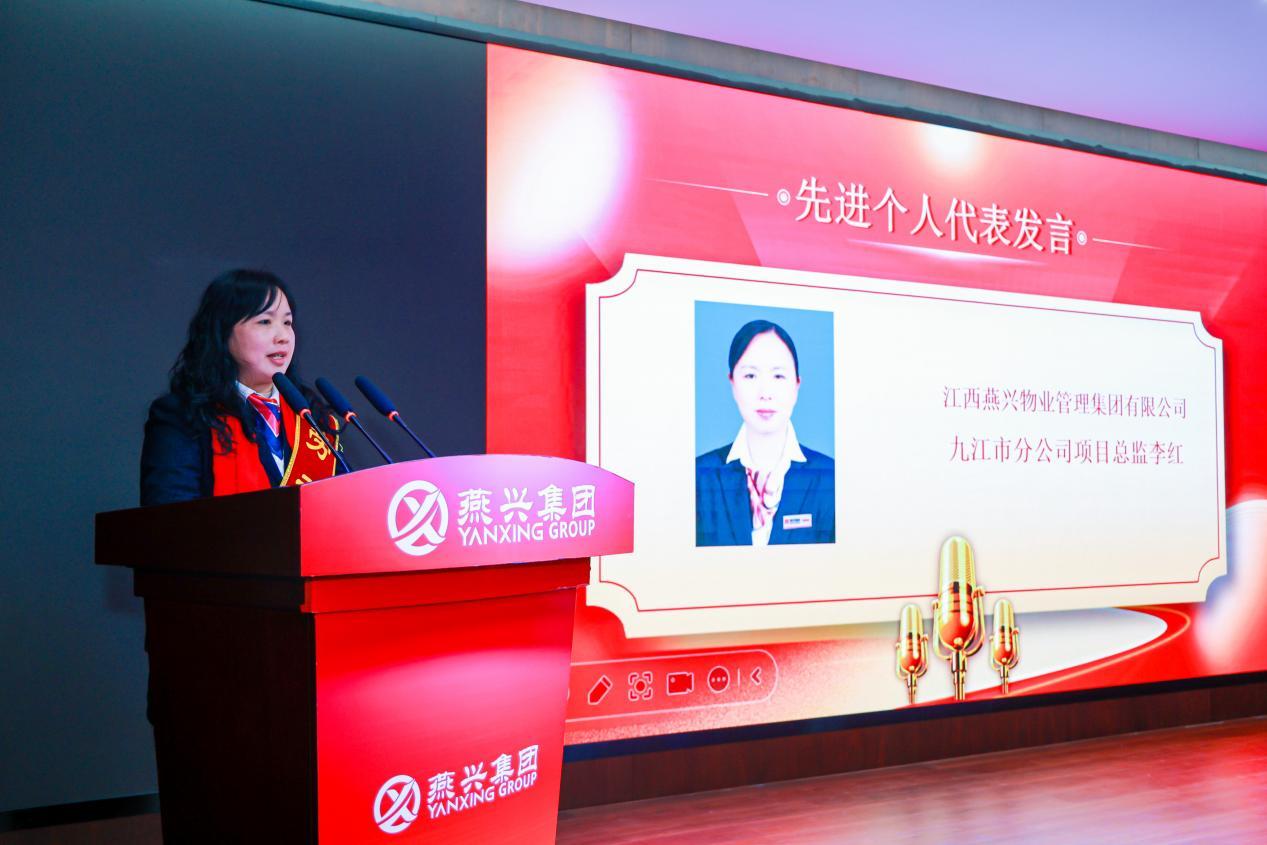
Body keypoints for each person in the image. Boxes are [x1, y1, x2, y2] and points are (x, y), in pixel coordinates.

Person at [140, 269, 338, 506]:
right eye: (265, 321)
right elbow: (168, 517)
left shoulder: (310, 413)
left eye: (287, 322)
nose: (283, 336)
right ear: (222, 332)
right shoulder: (182, 415)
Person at [696, 319, 835, 546]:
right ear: (732, 383)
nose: (765, 393)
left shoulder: (831, 477)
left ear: (796, 385)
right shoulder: (700, 476)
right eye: (750, 376)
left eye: (778, 376)